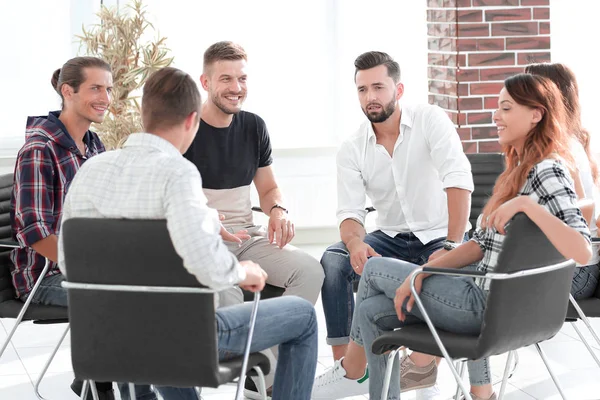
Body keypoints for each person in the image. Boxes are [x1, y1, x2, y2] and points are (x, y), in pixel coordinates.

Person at [312, 73, 593, 400]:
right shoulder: (520, 171)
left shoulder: (547, 170)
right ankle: (414, 389)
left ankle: (352, 372)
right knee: (373, 308)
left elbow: (583, 250)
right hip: (487, 300)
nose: (495, 116)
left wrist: (526, 205)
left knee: (374, 271)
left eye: (505, 108)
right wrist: (425, 270)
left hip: (485, 308)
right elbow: (479, 246)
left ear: (536, 114)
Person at [57, 67, 318, 400]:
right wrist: (243, 271)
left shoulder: (90, 169)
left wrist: (204, 221)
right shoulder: (177, 173)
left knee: (166, 323)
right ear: (192, 120)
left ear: (144, 114)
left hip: (104, 338)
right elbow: (207, 268)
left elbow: (69, 260)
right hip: (182, 339)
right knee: (303, 315)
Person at [316, 50, 473, 398]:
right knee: (333, 260)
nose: (370, 97)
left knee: (442, 273)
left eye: (378, 87)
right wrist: (356, 244)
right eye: (361, 89)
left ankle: (421, 362)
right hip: (388, 236)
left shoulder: (430, 120)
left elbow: (458, 179)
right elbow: (350, 213)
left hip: (438, 235)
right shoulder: (353, 147)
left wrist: (451, 244)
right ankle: (347, 369)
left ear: (398, 90)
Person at [8, 56, 133, 400]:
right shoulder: (39, 149)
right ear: (68, 91)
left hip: (90, 264)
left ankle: (93, 380)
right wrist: (89, 267)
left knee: (152, 285)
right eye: (95, 88)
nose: (105, 97)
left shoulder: (93, 145)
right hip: (46, 274)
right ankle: (107, 390)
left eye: (108, 88)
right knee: (124, 298)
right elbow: (33, 232)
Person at [525, 62, 600, 300]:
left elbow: (575, 220)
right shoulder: (564, 142)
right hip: (568, 268)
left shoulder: (560, 148)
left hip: (572, 274)